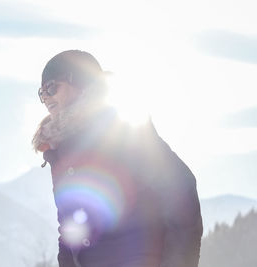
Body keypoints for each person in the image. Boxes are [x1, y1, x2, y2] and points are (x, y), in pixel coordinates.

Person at [32, 50, 203, 267]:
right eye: (41, 92)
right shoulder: (59, 150)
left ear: (80, 83)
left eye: (51, 87)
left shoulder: (121, 130)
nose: (46, 97)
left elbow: (181, 191)